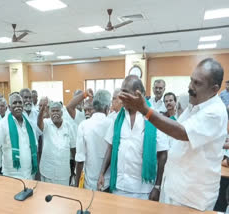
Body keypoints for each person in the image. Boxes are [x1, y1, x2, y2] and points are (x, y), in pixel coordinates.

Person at [119, 58, 228, 211]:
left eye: (197, 83)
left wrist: (145, 111)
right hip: (173, 189)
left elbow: (181, 132)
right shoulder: (194, 106)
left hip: (192, 198)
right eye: (191, 81)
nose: (190, 87)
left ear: (214, 88)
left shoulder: (215, 112)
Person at [97, 75, 169, 201]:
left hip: (143, 190)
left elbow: (163, 154)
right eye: (121, 92)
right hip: (119, 186)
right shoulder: (117, 118)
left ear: (138, 94)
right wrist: (102, 173)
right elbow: (111, 147)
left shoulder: (154, 117)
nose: (121, 97)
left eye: (125, 93)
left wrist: (157, 187)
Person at [0, 93, 38, 179]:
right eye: (14, 103)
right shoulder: (3, 124)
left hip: (29, 173)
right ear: (9, 107)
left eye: (20, 102)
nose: (18, 105)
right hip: (11, 175)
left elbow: (34, 147)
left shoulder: (29, 124)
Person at [75, 90, 112, 190]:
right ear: (107, 107)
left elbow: (80, 159)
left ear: (94, 107)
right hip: (108, 182)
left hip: (89, 183)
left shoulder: (83, 125)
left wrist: (76, 185)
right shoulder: (113, 124)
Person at [38, 101, 76, 186]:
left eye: (57, 111)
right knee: (47, 196)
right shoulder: (46, 123)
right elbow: (39, 124)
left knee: (62, 197)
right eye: (53, 111)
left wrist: (75, 167)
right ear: (49, 113)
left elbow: (73, 148)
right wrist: (41, 111)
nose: (55, 113)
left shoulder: (68, 126)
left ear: (61, 112)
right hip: (47, 172)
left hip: (63, 173)